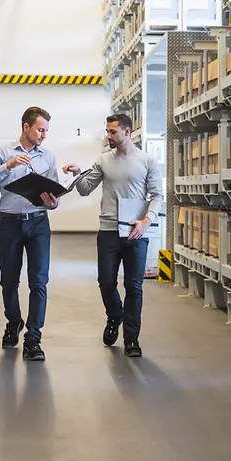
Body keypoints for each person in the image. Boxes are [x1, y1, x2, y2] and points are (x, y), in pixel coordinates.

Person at [63, 113, 164, 358]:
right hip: (108, 231)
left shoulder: (147, 161)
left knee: (134, 286)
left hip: (135, 232)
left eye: (112, 132)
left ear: (127, 132)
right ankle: (114, 315)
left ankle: (132, 339)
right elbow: (85, 190)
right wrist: (78, 173)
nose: (108, 135)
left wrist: (146, 221)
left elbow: (157, 196)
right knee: (106, 282)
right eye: (107, 131)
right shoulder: (103, 160)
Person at [0, 106, 60, 362]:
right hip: (9, 224)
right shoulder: (3, 151)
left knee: (39, 281)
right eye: (40, 129)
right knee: (9, 281)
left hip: (38, 223)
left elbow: (54, 196)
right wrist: (7, 166)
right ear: (26, 127)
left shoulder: (48, 157)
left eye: (46, 130)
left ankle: (33, 338)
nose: (44, 135)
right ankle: (14, 322)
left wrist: (53, 203)